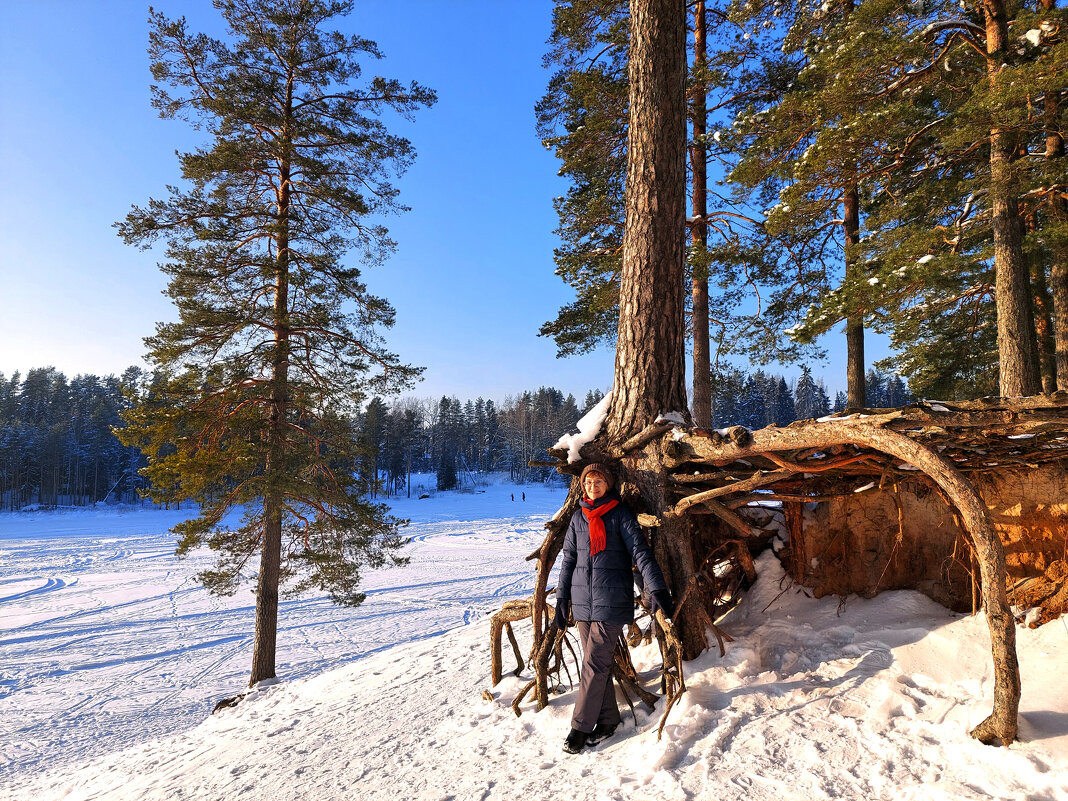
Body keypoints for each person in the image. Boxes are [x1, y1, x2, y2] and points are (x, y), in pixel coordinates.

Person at [553, 463, 674, 754]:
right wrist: (562, 598)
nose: (593, 486)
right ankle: (607, 720)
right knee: (597, 665)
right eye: (588, 481)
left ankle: (579, 728)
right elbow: (569, 559)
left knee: (593, 663)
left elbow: (640, 553)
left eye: (598, 481)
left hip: (611, 601)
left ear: (608, 485)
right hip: (583, 603)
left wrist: (656, 587)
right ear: (583, 486)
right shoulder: (578, 518)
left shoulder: (620, 515)